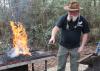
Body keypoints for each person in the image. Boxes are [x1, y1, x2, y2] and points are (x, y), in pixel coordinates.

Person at [49, 1, 90, 71]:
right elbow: (55, 28)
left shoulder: (83, 20)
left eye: (72, 12)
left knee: (74, 68)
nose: (70, 13)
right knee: (60, 67)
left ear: (77, 11)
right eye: (69, 11)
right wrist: (52, 36)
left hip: (75, 48)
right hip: (63, 47)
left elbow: (86, 34)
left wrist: (82, 46)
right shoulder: (63, 18)